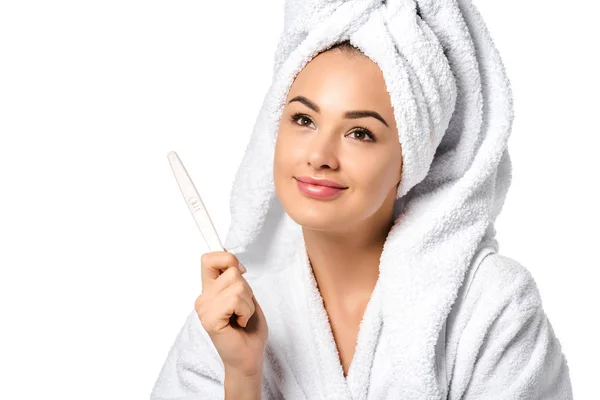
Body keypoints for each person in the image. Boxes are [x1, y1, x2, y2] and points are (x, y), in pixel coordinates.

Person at [150, 1, 573, 399]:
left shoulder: (492, 307)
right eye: (303, 119)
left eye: (360, 133)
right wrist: (242, 374)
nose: (319, 155)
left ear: (413, 158)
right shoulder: (226, 316)